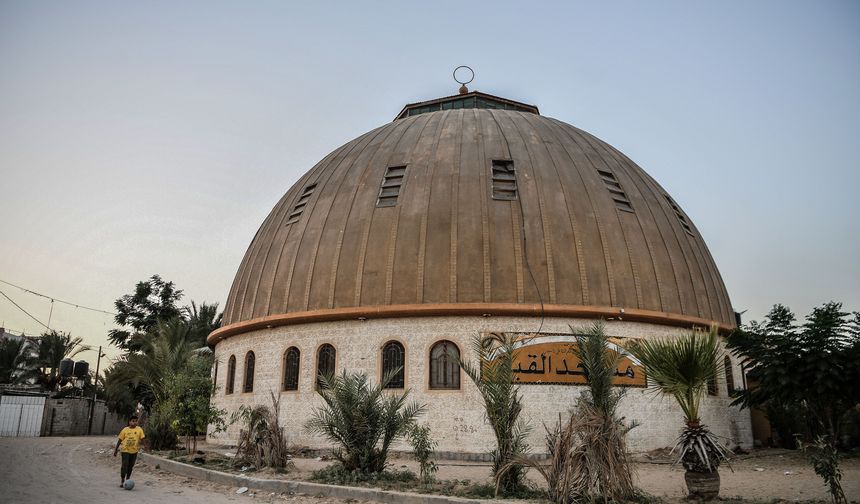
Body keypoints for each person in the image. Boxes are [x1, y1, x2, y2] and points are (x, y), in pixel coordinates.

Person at [114, 415, 146, 487]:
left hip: (134, 451)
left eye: (136, 421)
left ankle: (128, 479)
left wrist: (145, 446)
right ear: (129, 422)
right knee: (124, 465)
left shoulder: (139, 429)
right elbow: (120, 440)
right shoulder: (125, 430)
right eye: (133, 421)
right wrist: (116, 449)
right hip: (125, 450)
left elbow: (143, 438)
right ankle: (122, 479)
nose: (134, 423)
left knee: (130, 466)